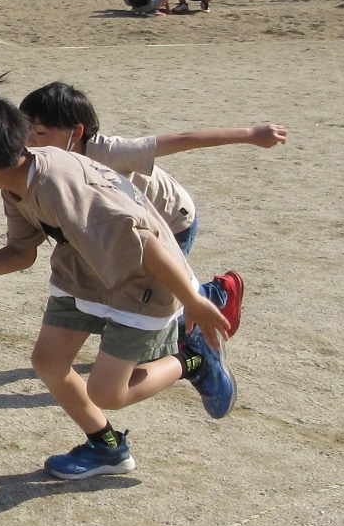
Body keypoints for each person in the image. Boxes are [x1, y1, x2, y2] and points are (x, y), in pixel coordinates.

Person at [0, 77, 235, 481]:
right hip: (81, 273)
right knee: (48, 362)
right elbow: (23, 253)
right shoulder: (15, 183)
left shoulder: (62, 187)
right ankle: (107, 449)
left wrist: (192, 302)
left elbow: (147, 243)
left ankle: (191, 360)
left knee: (108, 392)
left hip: (141, 283)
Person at [18, 81, 290, 335]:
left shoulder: (110, 152)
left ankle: (219, 294)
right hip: (130, 228)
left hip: (170, 220)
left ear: (76, 132)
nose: (30, 141)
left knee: (165, 295)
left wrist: (252, 134)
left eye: (40, 133)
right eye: (25, 131)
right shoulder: (43, 165)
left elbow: (182, 139)